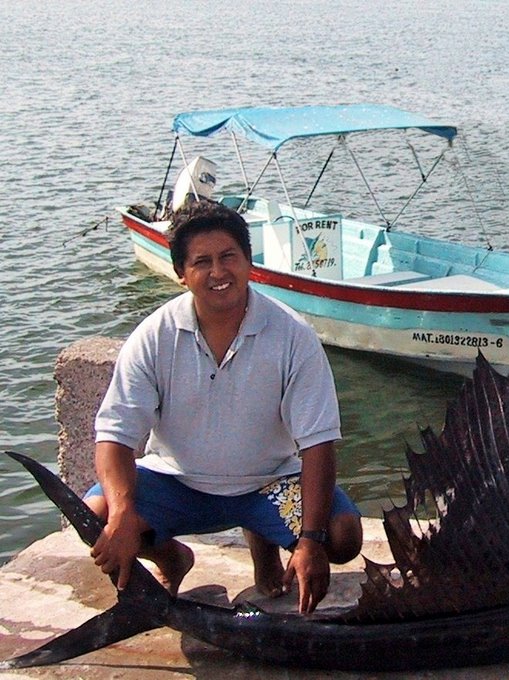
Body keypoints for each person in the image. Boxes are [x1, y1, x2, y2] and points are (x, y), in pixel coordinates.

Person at [85, 200, 363, 614]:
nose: (218, 272)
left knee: (342, 536)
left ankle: (264, 545)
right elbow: (114, 436)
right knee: (96, 516)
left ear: (249, 262)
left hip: (268, 484)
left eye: (229, 257)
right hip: (178, 483)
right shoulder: (153, 336)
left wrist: (310, 541)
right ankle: (172, 557)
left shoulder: (293, 336)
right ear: (181, 273)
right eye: (202, 262)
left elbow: (318, 444)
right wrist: (123, 513)